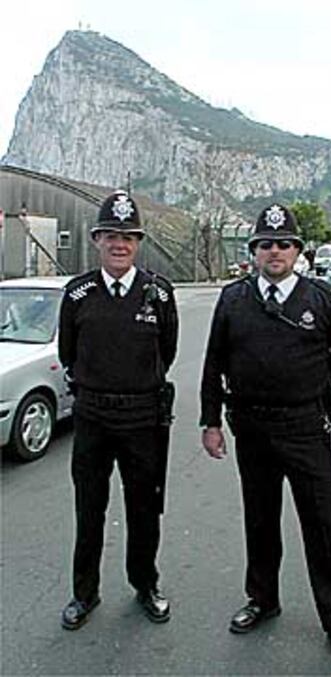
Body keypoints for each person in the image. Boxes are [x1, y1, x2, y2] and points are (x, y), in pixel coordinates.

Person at [200, 203, 331, 668]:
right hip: (251, 427)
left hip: (305, 428)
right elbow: (215, 362)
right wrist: (210, 420)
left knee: (323, 526)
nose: (275, 251)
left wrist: (312, 379)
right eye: (266, 244)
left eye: (285, 244)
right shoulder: (233, 298)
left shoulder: (321, 299)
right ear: (254, 251)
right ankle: (263, 598)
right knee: (260, 519)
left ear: (298, 251)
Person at [59, 189, 178, 630]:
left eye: (128, 236)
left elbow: (167, 352)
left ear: (138, 242)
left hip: (142, 419)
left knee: (144, 508)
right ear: (96, 240)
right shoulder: (78, 295)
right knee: (89, 508)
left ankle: (145, 584)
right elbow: (68, 353)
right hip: (92, 419)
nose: (119, 244)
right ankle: (84, 593)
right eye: (110, 235)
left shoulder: (159, 294)